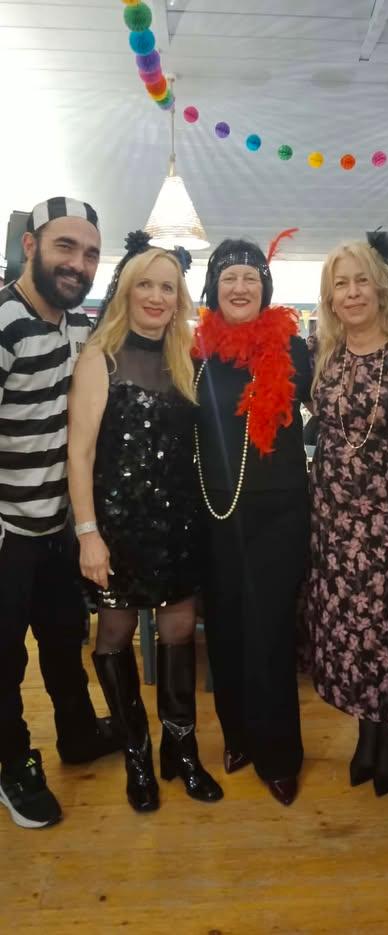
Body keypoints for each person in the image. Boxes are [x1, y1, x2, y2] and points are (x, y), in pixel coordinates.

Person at [67, 232, 223, 812]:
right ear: (127, 292)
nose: (157, 297)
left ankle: (181, 747)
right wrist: (88, 535)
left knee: (179, 630)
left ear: (179, 298)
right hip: (117, 530)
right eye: (146, 286)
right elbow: (79, 453)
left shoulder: (186, 358)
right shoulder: (100, 357)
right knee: (114, 635)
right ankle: (136, 752)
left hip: (179, 525)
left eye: (168, 287)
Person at [304, 233, 388, 797]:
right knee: (348, 631)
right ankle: (367, 730)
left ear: (381, 285)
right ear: (330, 297)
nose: (353, 292)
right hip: (334, 520)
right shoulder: (323, 354)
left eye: (362, 280)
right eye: (342, 284)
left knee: (386, 627)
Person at [0, 196, 119, 830]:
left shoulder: (77, 327)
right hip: (7, 531)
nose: (79, 263)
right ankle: (13, 765)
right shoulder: (4, 321)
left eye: (91, 253)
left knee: (63, 639)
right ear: (31, 246)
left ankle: (76, 733)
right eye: (65, 247)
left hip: (54, 527)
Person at [194, 238, 311, 806]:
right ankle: (238, 735)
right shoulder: (194, 352)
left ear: (265, 288)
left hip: (278, 512)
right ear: (212, 288)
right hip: (214, 513)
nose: (240, 287)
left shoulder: (293, 348)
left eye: (251, 277)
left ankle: (279, 754)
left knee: (270, 632)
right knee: (225, 628)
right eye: (229, 277)